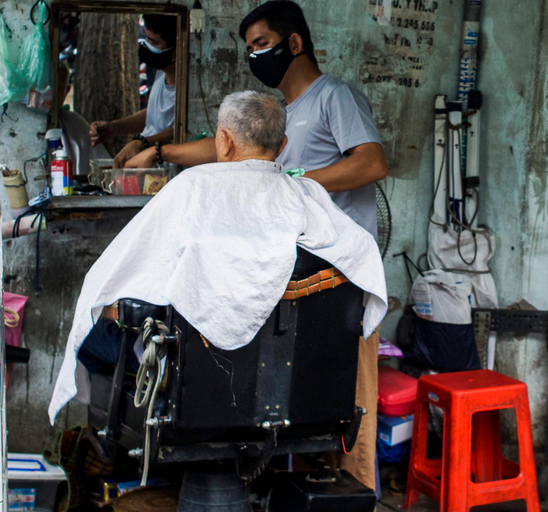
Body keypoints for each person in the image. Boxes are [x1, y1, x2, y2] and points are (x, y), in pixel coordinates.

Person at [125, 1, 386, 491]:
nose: (254, 56)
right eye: (249, 49)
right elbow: (228, 146)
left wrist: (294, 183)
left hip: (340, 280)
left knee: (350, 404)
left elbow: (370, 164)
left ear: (294, 42)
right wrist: (159, 151)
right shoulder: (283, 114)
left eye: (261, 44)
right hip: (291, 279)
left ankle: (355, 496)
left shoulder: (335, 97)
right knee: (302, 408)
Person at [54, 92, 388, 441]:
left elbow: (111, 276)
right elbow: (360, 253)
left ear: (223, 141)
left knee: (89, 329)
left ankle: (107, 440)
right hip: (282, 375)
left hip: (191, 365)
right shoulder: (306, 196)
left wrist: (115, 306)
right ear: (283, 144)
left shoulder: (192, 187)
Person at [89, 14, 178, 168]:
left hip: (167, 173)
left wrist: (142, 142)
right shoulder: (161, 73)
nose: (146, 45)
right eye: (147, 38)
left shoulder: (189, 91)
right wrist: (115, 127)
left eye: (154, 42)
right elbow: (155, 115)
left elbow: (184, 129)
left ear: (175, 50)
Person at [56, 62, 111, 175]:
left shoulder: (75, 125)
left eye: (58, 89)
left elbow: (104, 170)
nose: (50, 95)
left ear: (66, 91)